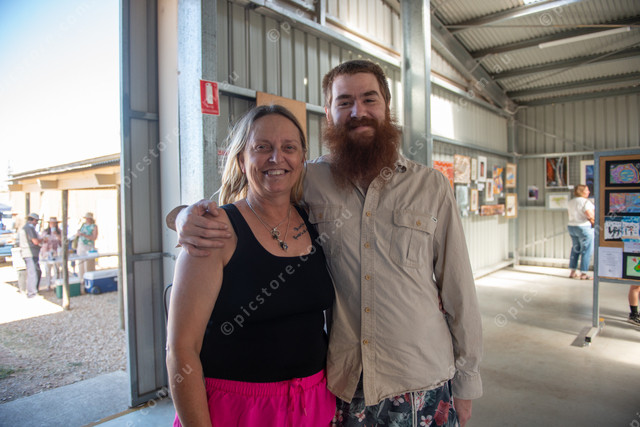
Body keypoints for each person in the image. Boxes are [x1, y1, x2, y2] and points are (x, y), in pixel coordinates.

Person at [169, 60, 482, 426]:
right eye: (344, 102)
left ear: (387, 106)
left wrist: (467, 382)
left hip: (422, 381)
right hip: (346, 387)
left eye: (369, 99)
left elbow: (459, 290)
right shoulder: (307, 179)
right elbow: (242, 203)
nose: (358, 111)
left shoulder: (431, 186)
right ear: (329, 113)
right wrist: (181, 216)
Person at [166, 105, 336, 427]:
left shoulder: (314, 220)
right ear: (242, 161)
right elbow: (181, 350)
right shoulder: (215, 231)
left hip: (313, 406)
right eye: (262, 147)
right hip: (237, 410)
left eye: (289, 147)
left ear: (302, 159)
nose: (276, 158)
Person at [567, 185, 594, 280]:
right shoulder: (585, 202)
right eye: (587, 190)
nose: (589, 192)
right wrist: (594, 221)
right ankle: (584, 273)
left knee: (575, 249)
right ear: (582, 191)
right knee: (586, 250)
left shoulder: (571, 202)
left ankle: (572, 272)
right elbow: (589, 215)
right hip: (584, 227)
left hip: (572, 227)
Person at [18, 213, 42, 298]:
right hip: (30, 253)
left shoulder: (26, 228)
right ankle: (32, 293)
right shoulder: (29, 228)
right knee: (33, 273)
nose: (37, 223)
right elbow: (35, 241)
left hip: (29, 253)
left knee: (37, 271)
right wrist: (42, 239)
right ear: (33, 220)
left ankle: (34, 289)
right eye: (36, 221)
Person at [76, 212, 98, 286]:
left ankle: (89, 280)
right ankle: (81, 279)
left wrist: (84, 235)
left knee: (88, 264)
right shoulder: (83, 225)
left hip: (89, 246)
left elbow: (94, 237)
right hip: (81, 245)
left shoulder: (94, 226)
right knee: (81, 263)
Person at [40, 217, 62, 290]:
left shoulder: (59, 232)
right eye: (51, 223)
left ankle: (56, 284)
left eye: (54, 223)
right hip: (46, 252)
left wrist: (56, 234)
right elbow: (41, 241)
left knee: (56, 269)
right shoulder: (45, 232)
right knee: (47, 269)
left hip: (56, 252)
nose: (52, 225)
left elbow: (62, 241)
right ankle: (48, 284)